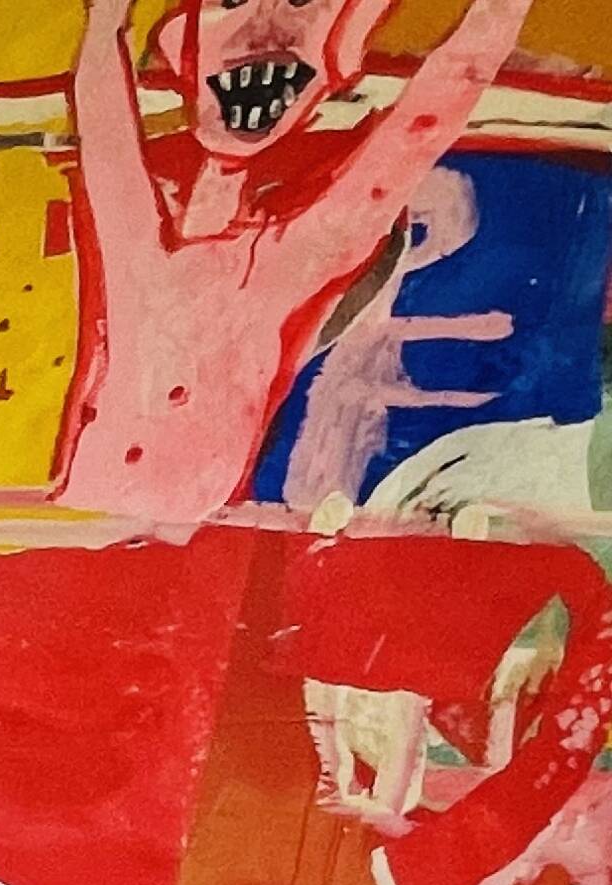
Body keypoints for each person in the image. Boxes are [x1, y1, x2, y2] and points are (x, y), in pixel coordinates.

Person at [59, 0, 539, 518]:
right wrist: (107, 18)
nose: (265, 27)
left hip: (170, 532)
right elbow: (104, 122)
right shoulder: (139, 243)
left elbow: (426, 120)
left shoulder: (291, 257)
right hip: (82, 521)